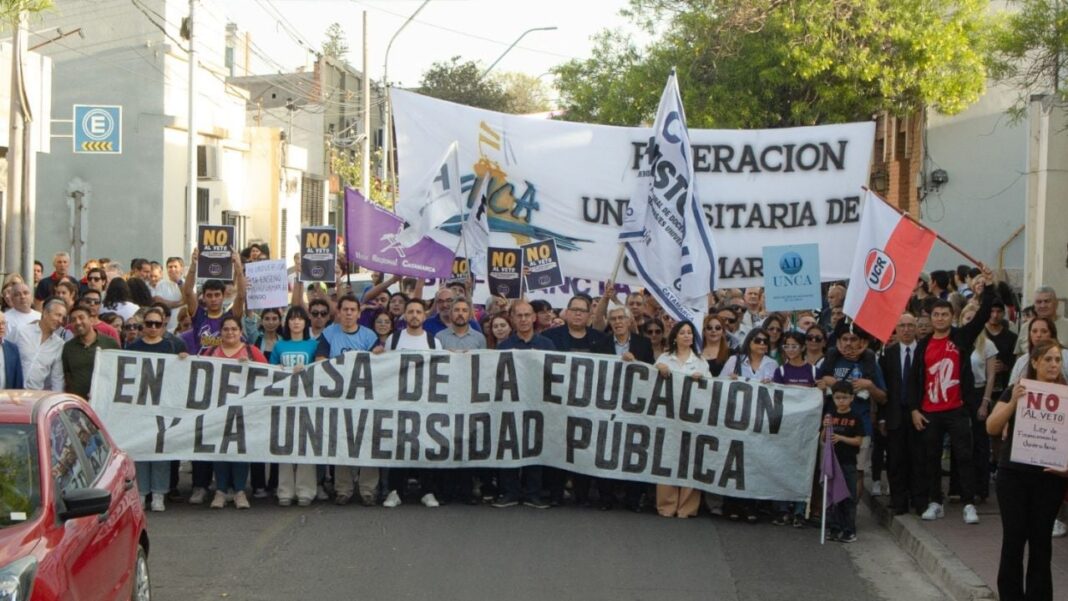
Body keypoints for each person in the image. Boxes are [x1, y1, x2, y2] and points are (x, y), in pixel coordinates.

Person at [911, 267, 993, 525]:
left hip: (957, 408)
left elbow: (981, 317)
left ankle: (969, 503)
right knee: (931, 459)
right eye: (936, 314)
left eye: (945, 314)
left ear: (952, 316)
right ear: (930, 317)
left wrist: (989, 287)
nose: (940, 318)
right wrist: (914, 409)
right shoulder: (922, 345)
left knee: (964, 456)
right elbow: (915, 380)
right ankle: (936, 502)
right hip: (930, 411)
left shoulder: (961, 338)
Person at [987, 340, 1068, 601]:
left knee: (1041, 543)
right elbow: (992, 427)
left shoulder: (1066, 396)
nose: (1054, 365)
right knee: (1013, 540)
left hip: (1049, 478)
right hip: (1013, 477)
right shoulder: (1016, 389)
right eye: (1048, 359)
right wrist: (1014, 403)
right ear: (1034, 362)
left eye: (1057, 360)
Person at [314, 293, 383, 506]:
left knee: (368, 442)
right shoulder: (329, 333)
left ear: (359, 313)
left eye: (353, 310)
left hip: (365, 398)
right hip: (339, 398)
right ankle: (343, 489)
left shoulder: (369, 336)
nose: (349, 313)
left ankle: (368, 490)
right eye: (345, 310)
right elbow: (320, 359)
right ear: (339, 312)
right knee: (342, 443)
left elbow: (380, 364)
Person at [492, 301, 555, 509]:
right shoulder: (504, 346)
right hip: (510, 404)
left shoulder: (547, 344)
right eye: (519, 315)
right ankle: (510, 492)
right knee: (509, 447)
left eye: (527, 315)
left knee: (534, 447)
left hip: (538, 404)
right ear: (512, 319)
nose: (524, 319)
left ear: (534, 317)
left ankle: (533, 493)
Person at [592, 304, 655, 511]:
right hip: (607, 405)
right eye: (614, 319)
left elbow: (651, 375)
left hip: (634, 406)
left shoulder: (644, 345)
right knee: (606, 449)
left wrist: (635, 362)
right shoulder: (600, 344)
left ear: (630, 322)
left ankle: (632, 499)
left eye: (621, 318)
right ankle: (606, 498)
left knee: (634, 451)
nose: (618, 322)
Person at [383, 298, 443, 509]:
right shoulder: (394, 339)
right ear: (405, 315)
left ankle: (427, 490)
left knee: (425, 445)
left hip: (425, 401)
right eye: (411, 312)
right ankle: (395, 491)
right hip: (400, 400)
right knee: (399, 445)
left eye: (419, 311)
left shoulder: (433, 342)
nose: (415, 315)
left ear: (424, 316)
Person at [124, 306, 183, 512]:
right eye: (149, 324)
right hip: (140, 407)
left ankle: (159, 493)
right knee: (141, 450)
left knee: (160, 450)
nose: (153, 327)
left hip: (163, 406)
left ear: (163, 325)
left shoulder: (172, 346)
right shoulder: (132, 348)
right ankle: (141, 493)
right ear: (143, 326)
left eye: (157, 324)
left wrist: (183, 360)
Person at [207, 316, 268, 509]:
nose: (230, 333)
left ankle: (240, 491)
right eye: (226, 329)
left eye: (234, 329)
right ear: (220, 332)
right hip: (218, 411)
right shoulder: (211, 352)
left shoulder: (252, 352)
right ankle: (221, 491)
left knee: (240, 451)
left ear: (241, 331)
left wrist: (251, 367)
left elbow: (268, 374)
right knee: (220, 451)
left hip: (244, 412)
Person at [653, 320, 709, 518]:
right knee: (666, 458)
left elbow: (711, 390)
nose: (687, 336)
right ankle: (666, 505)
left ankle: (686, 507)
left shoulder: (701, 362)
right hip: (668, 418)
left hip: (692, 420)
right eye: (683, 333)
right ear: (675, 337)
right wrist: (659, 368)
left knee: (690, 461)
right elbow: (650, 384)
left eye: (690, 333)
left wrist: (701, 379)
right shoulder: (665, 358)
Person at [435, 297, 487, 505]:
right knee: (446, 441)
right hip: (446, 395)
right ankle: (446, 490)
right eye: (456, 310)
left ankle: (466, 490)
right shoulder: (439, 337)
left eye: (464, 310)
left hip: (469, 395)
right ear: (450, 312)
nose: (460, 314)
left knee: (466, 441)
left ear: (469, 313)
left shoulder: (479, 338)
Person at [269, 305, 320, 507]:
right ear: (287, 322)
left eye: (300, 319)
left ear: (306, 323)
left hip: (307, 400)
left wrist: (307, 368)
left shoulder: (313, 345)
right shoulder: (279, 346)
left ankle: (306, 490)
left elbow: (321, 369)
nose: (296, 322)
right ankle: (285, 491)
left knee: (306, 445)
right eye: (292, 318)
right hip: (284, 401)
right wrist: (278, 369)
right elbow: (270, 371)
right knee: (285, 444)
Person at [878, 313, 925, 516]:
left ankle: (919, 500)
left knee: (918, 459)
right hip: (894, 414)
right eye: (902, 326)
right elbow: (883, 387)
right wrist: (881, 417)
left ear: (916, 328)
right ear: (896, 329)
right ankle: (899, 501)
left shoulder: (924, 352)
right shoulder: (888, 354)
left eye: (910, 325)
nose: (906, 329)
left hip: (919, 414)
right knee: (896, 460)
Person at [960, 303, 998, 503]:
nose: (970, 322)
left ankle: (981, 487)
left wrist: (985, 402)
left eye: (974, 318)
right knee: (962, 442)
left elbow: (991, 377)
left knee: (980, 443)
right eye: (967, 318)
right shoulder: (958, 341)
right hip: (959, 395)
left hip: (979, 392)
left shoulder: (988, 345)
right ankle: (960, 487)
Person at [825, 381, 864, 543]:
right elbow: (823, 439)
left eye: (845, 397)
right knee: (833, 496)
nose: (841, 401)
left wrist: (841, 438)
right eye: (837, 397)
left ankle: (849, 530)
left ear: (852, 398)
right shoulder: (830, 416)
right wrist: (824, 427)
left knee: (848, 497)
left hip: (848, 462)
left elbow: (858, 441)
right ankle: (834, 528)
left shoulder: (856, 417)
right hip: (832, 462)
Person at [61, 303, 120, 399]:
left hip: (104, 401)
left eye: (81, 317)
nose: (78, 322)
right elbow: (66, 377)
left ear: (91, 320)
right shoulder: (68, 347)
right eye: (73, 320)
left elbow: (119, 373)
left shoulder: (110, 344)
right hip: (78, 405)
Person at [16, 298, 67, 391]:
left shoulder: (59, 345)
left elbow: (57, 378)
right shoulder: (23, 331)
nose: (60, 320)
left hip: (34, 395)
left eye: (63, 318)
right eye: (58, 315)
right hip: (12, 391)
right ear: (45, 313)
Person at [1014, 286, 1068, 354]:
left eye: (1047, 301)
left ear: (1056, 303)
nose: (1043, 305)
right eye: (1039, 302)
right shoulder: (1026, 327)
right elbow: (1019, 355)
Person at [0, 313, 24, 389]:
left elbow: (18, 381)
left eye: (3, 323)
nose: (1, 327)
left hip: (6, 399)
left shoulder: (12, 349)